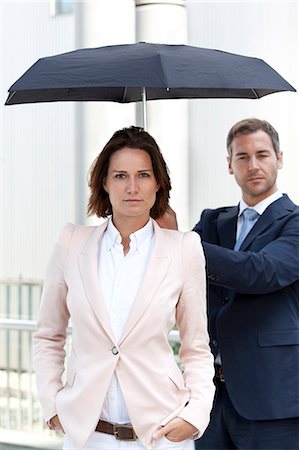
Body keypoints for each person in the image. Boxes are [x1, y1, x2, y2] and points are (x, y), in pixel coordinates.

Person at [33, 126, 215, 450]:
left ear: (158, 182)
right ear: (104, 182)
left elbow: (196, 347)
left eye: (143, 175)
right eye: (120, 176)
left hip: (161, 435)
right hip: (87, 437)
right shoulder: (71, 242)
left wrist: (196, 413)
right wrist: (52, 403)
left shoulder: (184, 248)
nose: (133, 187)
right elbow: (49, 334)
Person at [191, 118, 299, 449]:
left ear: (279, 158)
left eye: (262, 155)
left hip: (271, 402)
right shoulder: (212, 221)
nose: (253, 165)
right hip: (209, 397)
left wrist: (181, 244)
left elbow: (261, 271)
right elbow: (175, 275)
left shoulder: (294, 223)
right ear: (229, 165)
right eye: (242, 157)